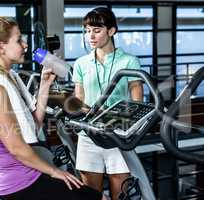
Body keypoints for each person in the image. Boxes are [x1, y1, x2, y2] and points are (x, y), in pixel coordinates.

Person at [0, 16, 105, 200]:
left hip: (27, 174)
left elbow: (33, 126)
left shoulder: (10, 77)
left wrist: (44, 85)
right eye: (18, 39)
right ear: (0, 47)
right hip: (16, 184)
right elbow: (17, 149)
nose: (25, 45)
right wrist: (54, 172)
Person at [72, 7, 144, 200]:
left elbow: (138, 101)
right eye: (87, 31)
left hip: (118, 134)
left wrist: (128, 125)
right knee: (91, 196)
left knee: (120, 194)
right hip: (88, 134)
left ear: (111, 31)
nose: (90, 36)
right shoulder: (81, 63)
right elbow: (79, 99)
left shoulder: (129, 61)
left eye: (96, 30)